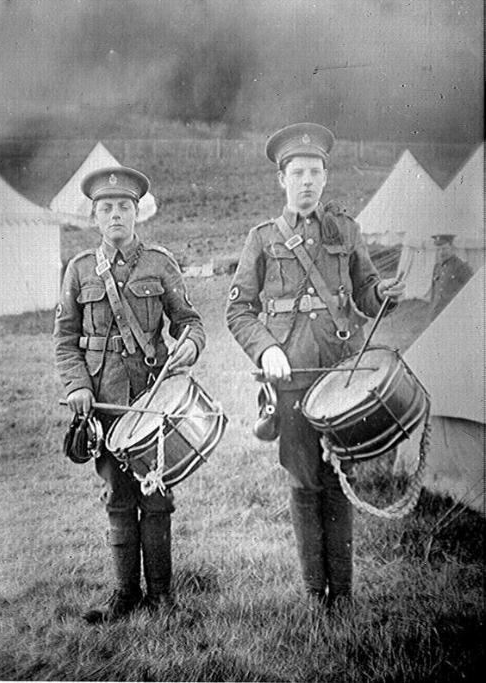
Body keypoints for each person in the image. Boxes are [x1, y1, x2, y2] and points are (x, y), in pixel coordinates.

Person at [226, 123, 405, 609]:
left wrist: (382, 295)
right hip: (290, 383)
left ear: (326, 177)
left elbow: (366, 292)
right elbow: (238, 310)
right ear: (281, 180)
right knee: (304, 481)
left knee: (337, 480)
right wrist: (267, 350)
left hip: (342, 380)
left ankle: (342, 594)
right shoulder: (261, 238)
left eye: (314, 171)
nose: (306, 181)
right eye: (297, 172)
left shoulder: (346, 231)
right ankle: (313, 594)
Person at [54, 166, 205, 623]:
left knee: (156, 495)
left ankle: (161, 596)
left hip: (153, 398)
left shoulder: (160, 263)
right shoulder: (79, 270)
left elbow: (189, 321)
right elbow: (64, 339)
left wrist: (191, 345)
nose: (115, 214)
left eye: (124, 206)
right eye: (106, 208)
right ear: (95, 217)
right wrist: (78, 386)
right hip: (103, 402)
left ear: (137, 212)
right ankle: (125, 594)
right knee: (117, 496)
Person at [428, 234, 473, 322]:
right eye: (438, 249)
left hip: (453, 314)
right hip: (437, 313)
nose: (441, 252)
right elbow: (434, 292)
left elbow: (470, 292)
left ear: (452, 248)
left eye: (444, 248)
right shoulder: (437, 267)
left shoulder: (461, 266)